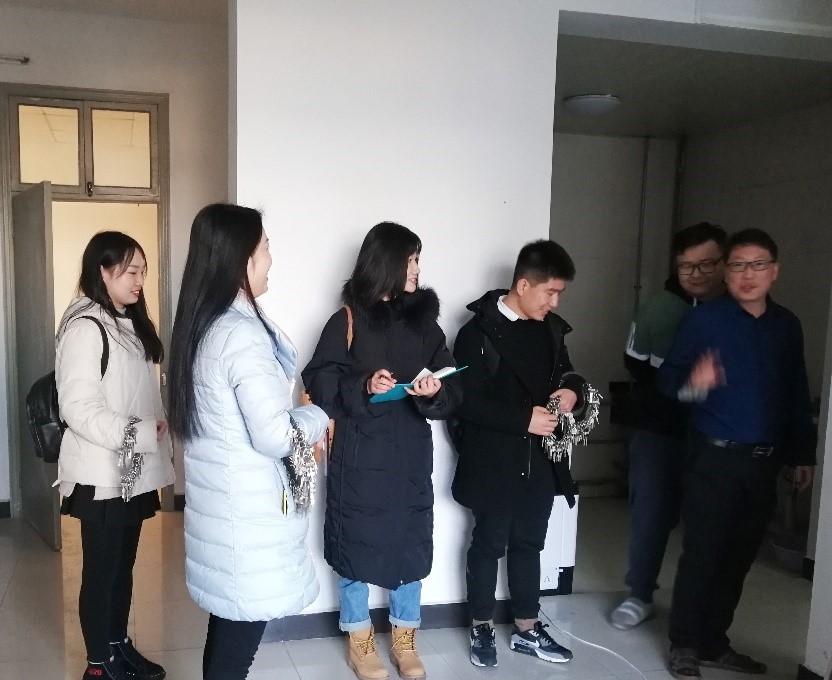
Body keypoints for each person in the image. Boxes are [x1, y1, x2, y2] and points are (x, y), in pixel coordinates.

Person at [168, 204, 328, 680]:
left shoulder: (203, 325)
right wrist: (318, 415)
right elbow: (276, 434)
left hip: (228, 507)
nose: (271, 259)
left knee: (229, 625)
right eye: (266, 248)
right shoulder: (239, 334)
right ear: (242, 259)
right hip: (247, 515)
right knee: (236, 647)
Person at [302, 222, 461, 680]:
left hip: (410, 456)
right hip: (359, 455)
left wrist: (434, 391)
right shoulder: (347, 320)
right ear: (386, 263)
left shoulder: (425, 325)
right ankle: (360, 639)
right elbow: (320, 379)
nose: (417, 269)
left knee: (410, 548)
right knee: (355, 546)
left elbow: (453, 386)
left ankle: (405, 638)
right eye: (410, 259)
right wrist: (365, 385)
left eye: (417, 260)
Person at [658, 229, 815, 678]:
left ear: (774, 271)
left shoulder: (787, 325)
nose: (748, 275)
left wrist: (802, 454)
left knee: (739, 557)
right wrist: (695, 383)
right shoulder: (705, 320)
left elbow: (795, 392)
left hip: (763, 461)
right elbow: (667, 382)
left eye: (757, 265)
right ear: (725, 273)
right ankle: (685, 644)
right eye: (738, 266)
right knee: (703, 553)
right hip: (714, 458)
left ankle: (714, 642)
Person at [451, 239, 590, 668]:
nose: (555, 301)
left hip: (540, 462)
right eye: (550, 292)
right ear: (524, 285)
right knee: (488, 543)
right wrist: (522, 419)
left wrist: (572, 391)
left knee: (530, 543)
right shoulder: (477, 333)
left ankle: (527, 629)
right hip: (493, 463)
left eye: (560, 293)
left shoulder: (551, 329)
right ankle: (481, 626)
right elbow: (463, 402)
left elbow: (568, 372)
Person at [56, 231, 174, 680]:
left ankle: (117, 646)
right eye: (130, 271)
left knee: (122, 569)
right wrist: (137, 432)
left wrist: (154, 431)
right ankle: (98, 665)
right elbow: (78, 409)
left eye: (143, 270)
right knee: (102, 573)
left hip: (130, 469)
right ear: (102, 271)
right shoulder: (86, 327)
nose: (139, 279)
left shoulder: (126, 322)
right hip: (101, 474)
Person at [611, 223, 727, 630]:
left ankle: (698, 606)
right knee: (650, 512)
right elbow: (635, 365)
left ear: (724, 262)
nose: (696, 274)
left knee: (710, 522)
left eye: (706, 264)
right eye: (686, 266)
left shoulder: (739, 311)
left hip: (718, 436)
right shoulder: (660, 309)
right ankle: (639, 593)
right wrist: (679, 393)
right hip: (661, 428)